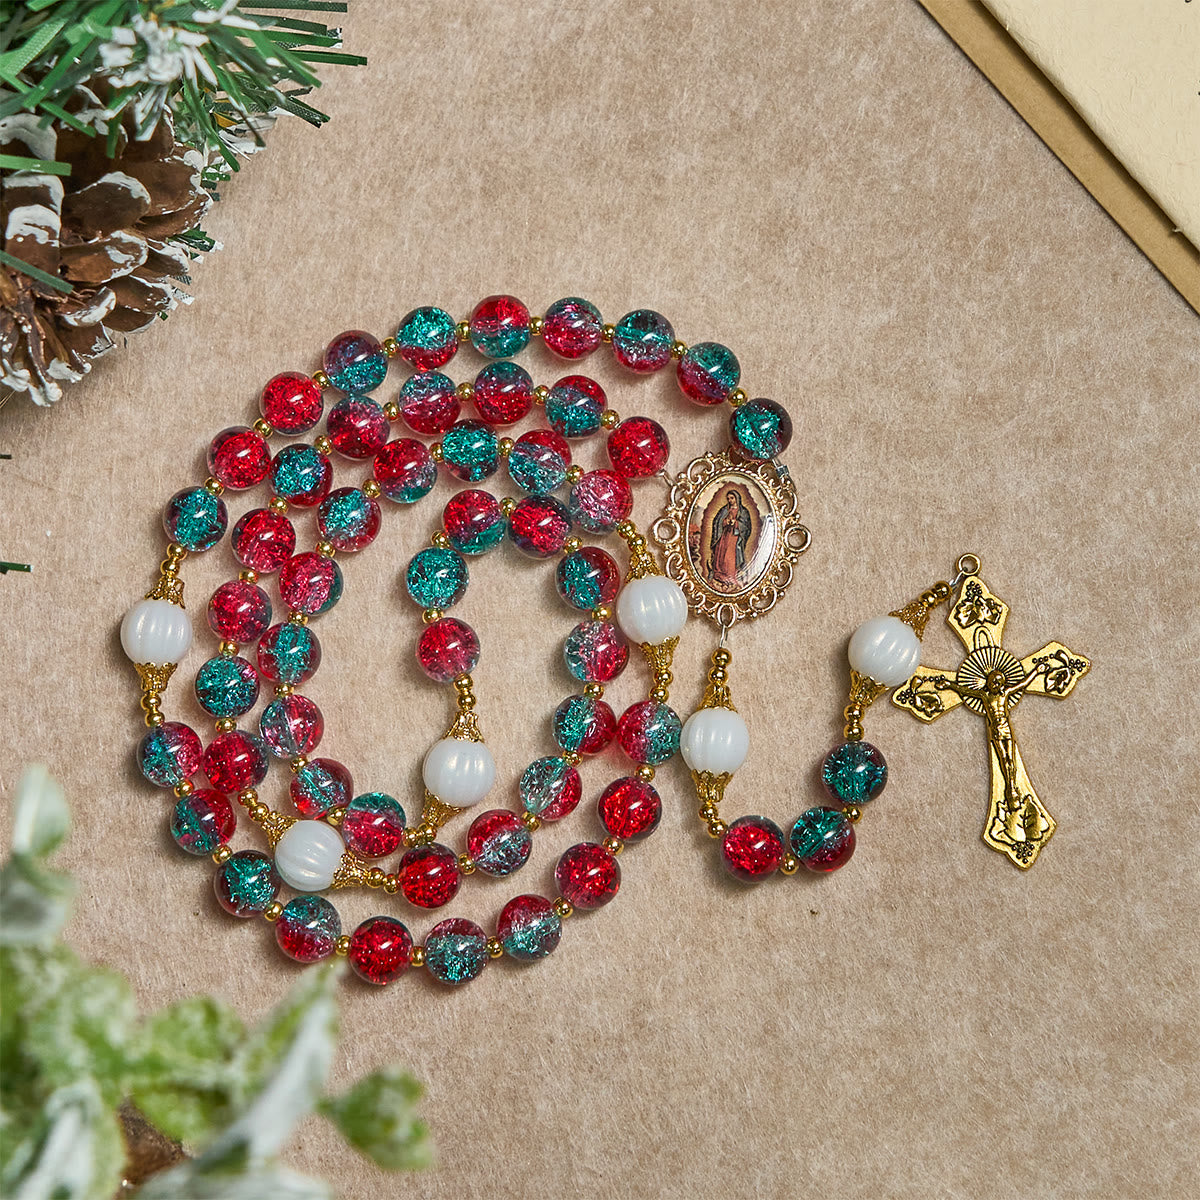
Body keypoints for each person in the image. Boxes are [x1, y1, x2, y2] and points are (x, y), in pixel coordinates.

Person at [709, 489, 751, 588]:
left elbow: (747, 526)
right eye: (728, 498)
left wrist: (736, 523)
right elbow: (716, 521)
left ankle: (730, 577)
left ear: (737, 498)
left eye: (732, 498)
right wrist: (724, 522)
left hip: (734, 537)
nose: (730, 500)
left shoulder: (743, 511)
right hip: (724, 536)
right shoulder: (724, 510)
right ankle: (719, 576)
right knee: (721, 554)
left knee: (729, 556)